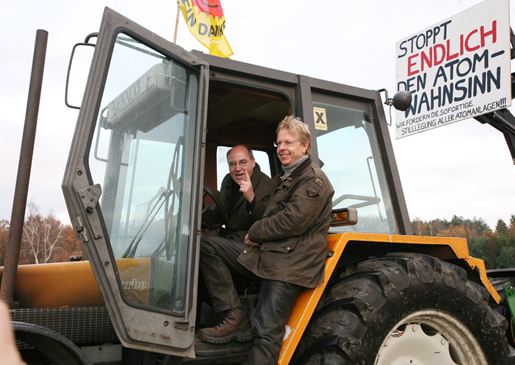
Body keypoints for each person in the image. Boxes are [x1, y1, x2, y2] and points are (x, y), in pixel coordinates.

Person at [199, 116, 334, 365]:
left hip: (291, 263)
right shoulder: (288, 179)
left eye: (289, 143)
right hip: (272, 254)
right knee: (207, 246)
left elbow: (291, 220)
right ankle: (233, 314)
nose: (282, 148)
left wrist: (255, 231)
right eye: (279, 143)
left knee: (266, 330)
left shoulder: (313, 181)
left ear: (304, 146)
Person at [202, 144, 275, 241]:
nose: (237, 168)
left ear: (253, 162)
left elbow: (267, 224)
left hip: (249, 239)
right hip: (229, 235)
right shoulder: (228, 179)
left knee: (206, 245)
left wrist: (251, 198)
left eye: (243, 162)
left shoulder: (268, 186)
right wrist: (195, 219)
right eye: (232, 164)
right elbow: (219, 210)